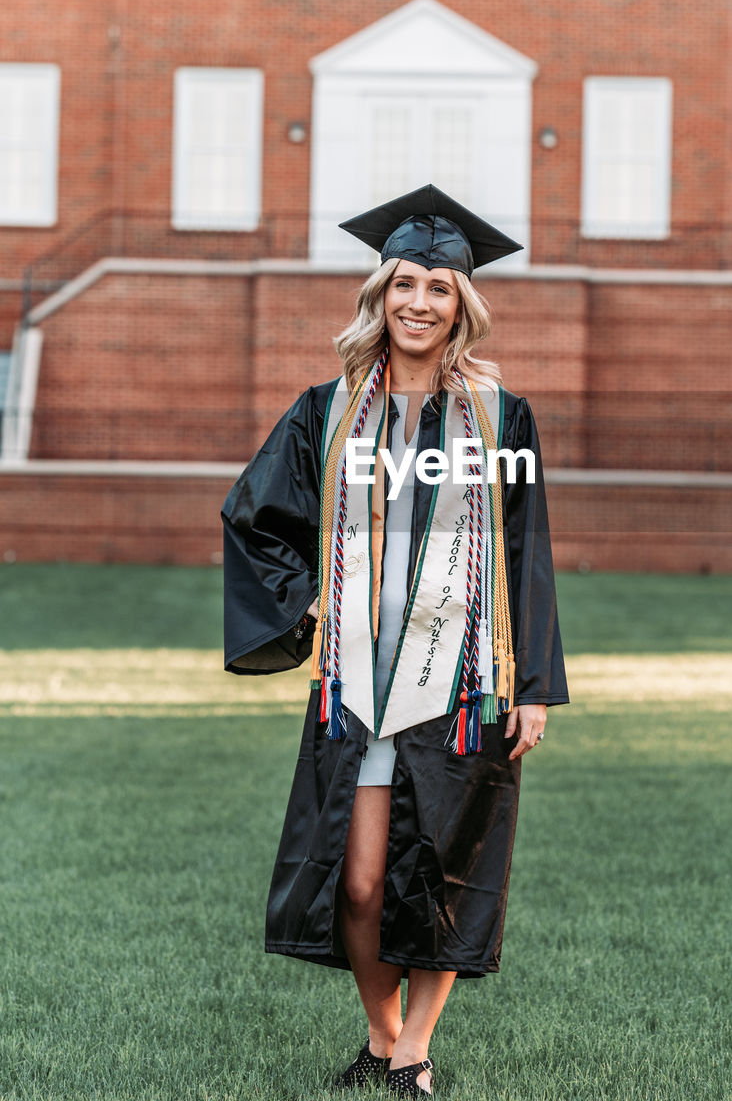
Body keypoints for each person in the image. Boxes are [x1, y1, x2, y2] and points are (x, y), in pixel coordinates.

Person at [222, 184, 568, 1097]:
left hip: (462, 681)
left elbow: (526, 552)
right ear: (380, 297)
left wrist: (532, 683)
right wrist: (300, 600)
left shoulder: (502, 419)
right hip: (362, 683)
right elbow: (255, 517)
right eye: (404, 284)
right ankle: (382, 1038)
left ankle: (410, 1054)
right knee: (361, 883)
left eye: (440, 289)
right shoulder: (323, 413)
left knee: (445, 873)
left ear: (463, 307)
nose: (420, 302)